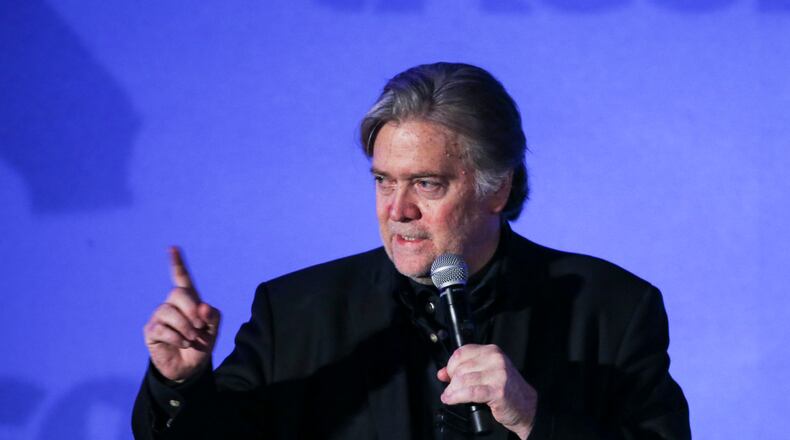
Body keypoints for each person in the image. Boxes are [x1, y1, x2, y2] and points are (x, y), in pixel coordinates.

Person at [133, 62, 690, 439]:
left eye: (426, 183)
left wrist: (532, 418)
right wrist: (181, 383)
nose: (396, 210)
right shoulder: (295, 312)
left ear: (497, 187)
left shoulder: (613, 307)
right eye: (383, 181)